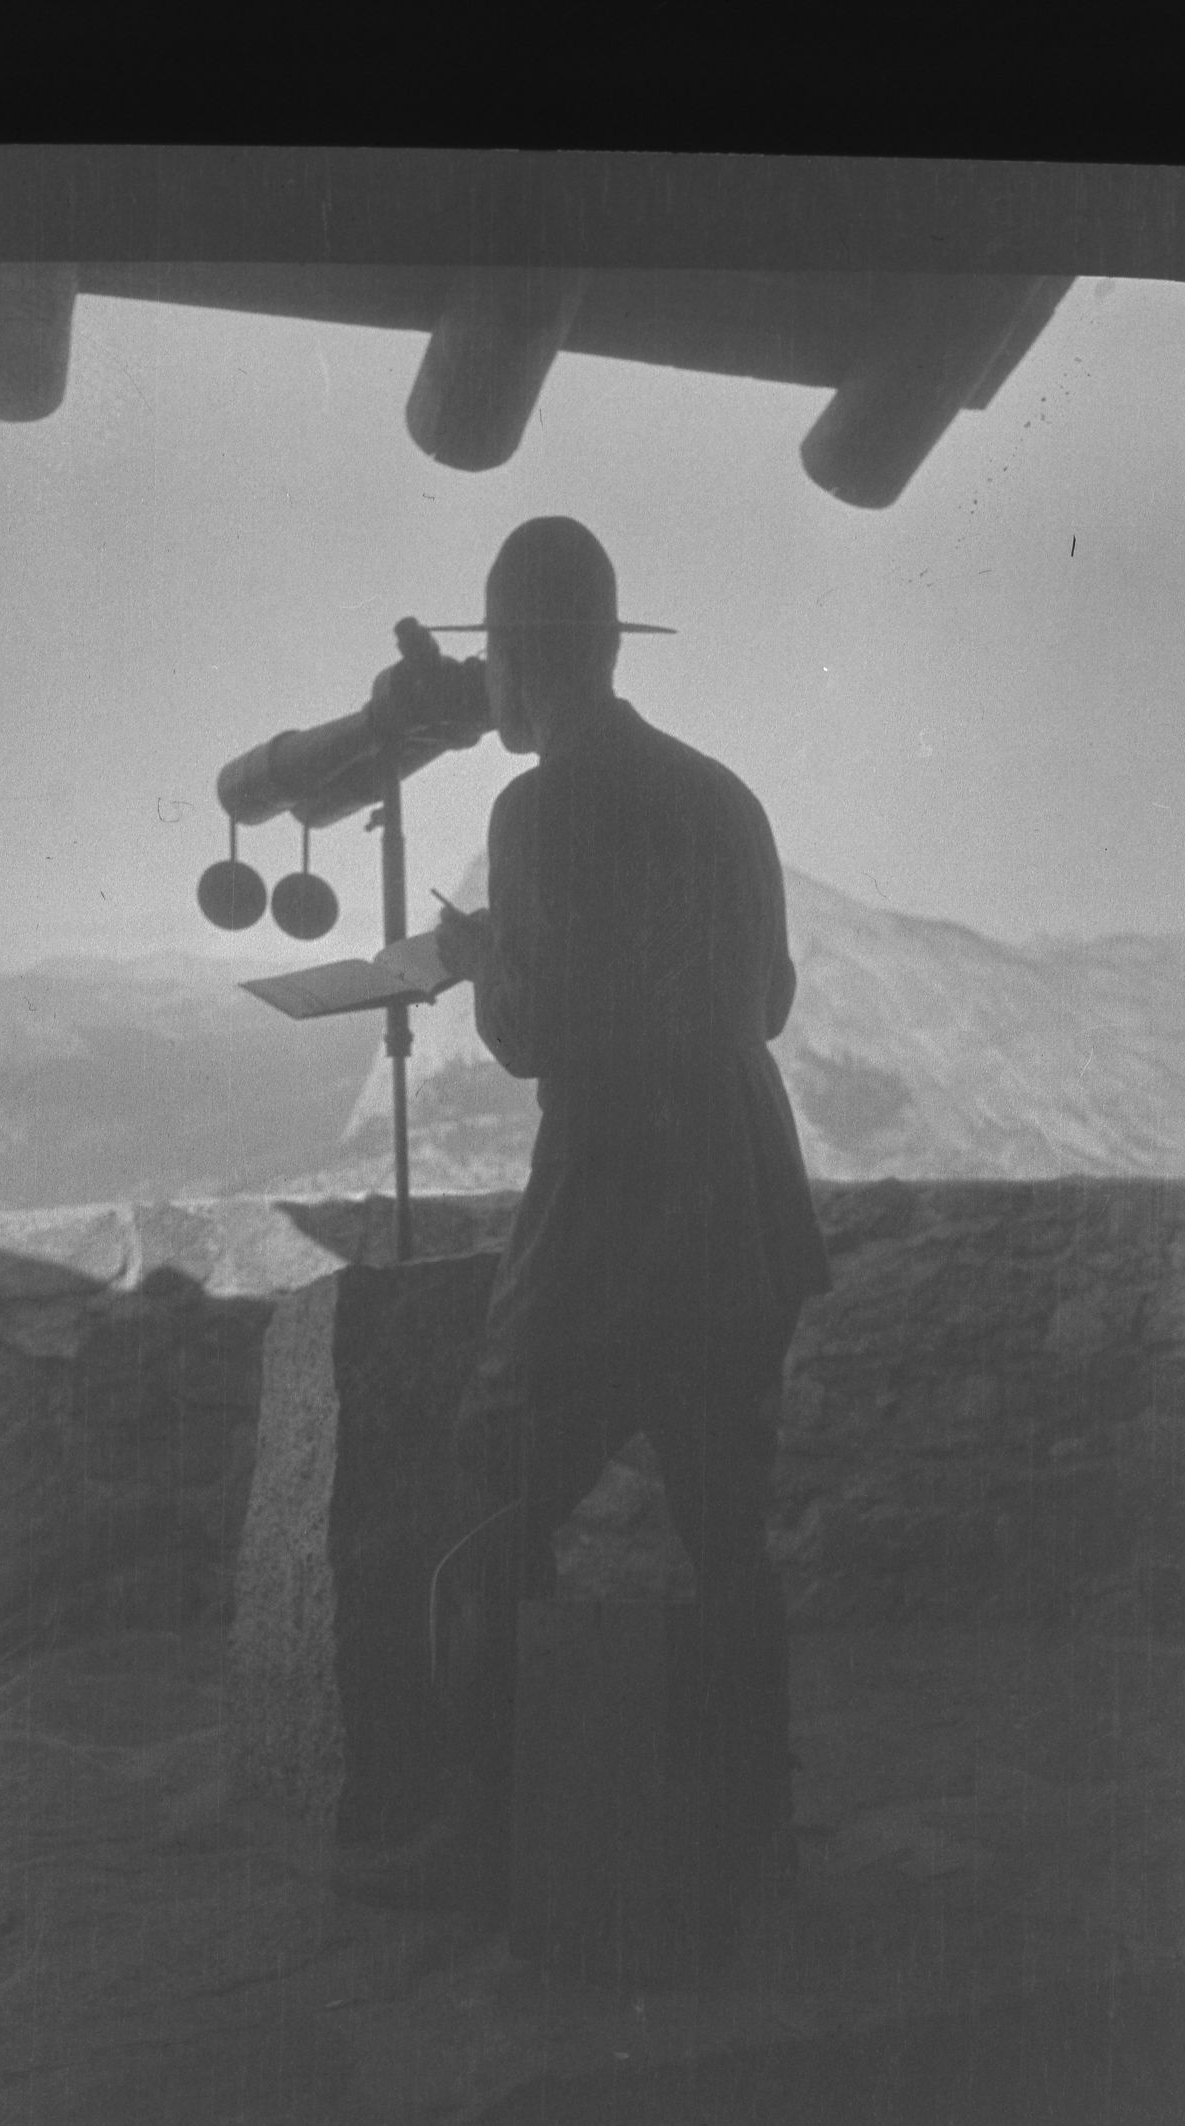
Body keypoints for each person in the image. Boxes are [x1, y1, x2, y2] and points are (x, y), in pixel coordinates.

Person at [405, 514, 829, 1955]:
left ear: (520, 657)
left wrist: (476, 964)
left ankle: (483, 1839)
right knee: (728, 1539)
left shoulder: (533, 816)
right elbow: (767, 1000)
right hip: (740, 1216)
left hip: (606, 1221)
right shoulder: (725, 795)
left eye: (495, 662)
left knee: (486, 1497)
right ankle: (750, 1839)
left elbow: (531, 1034)